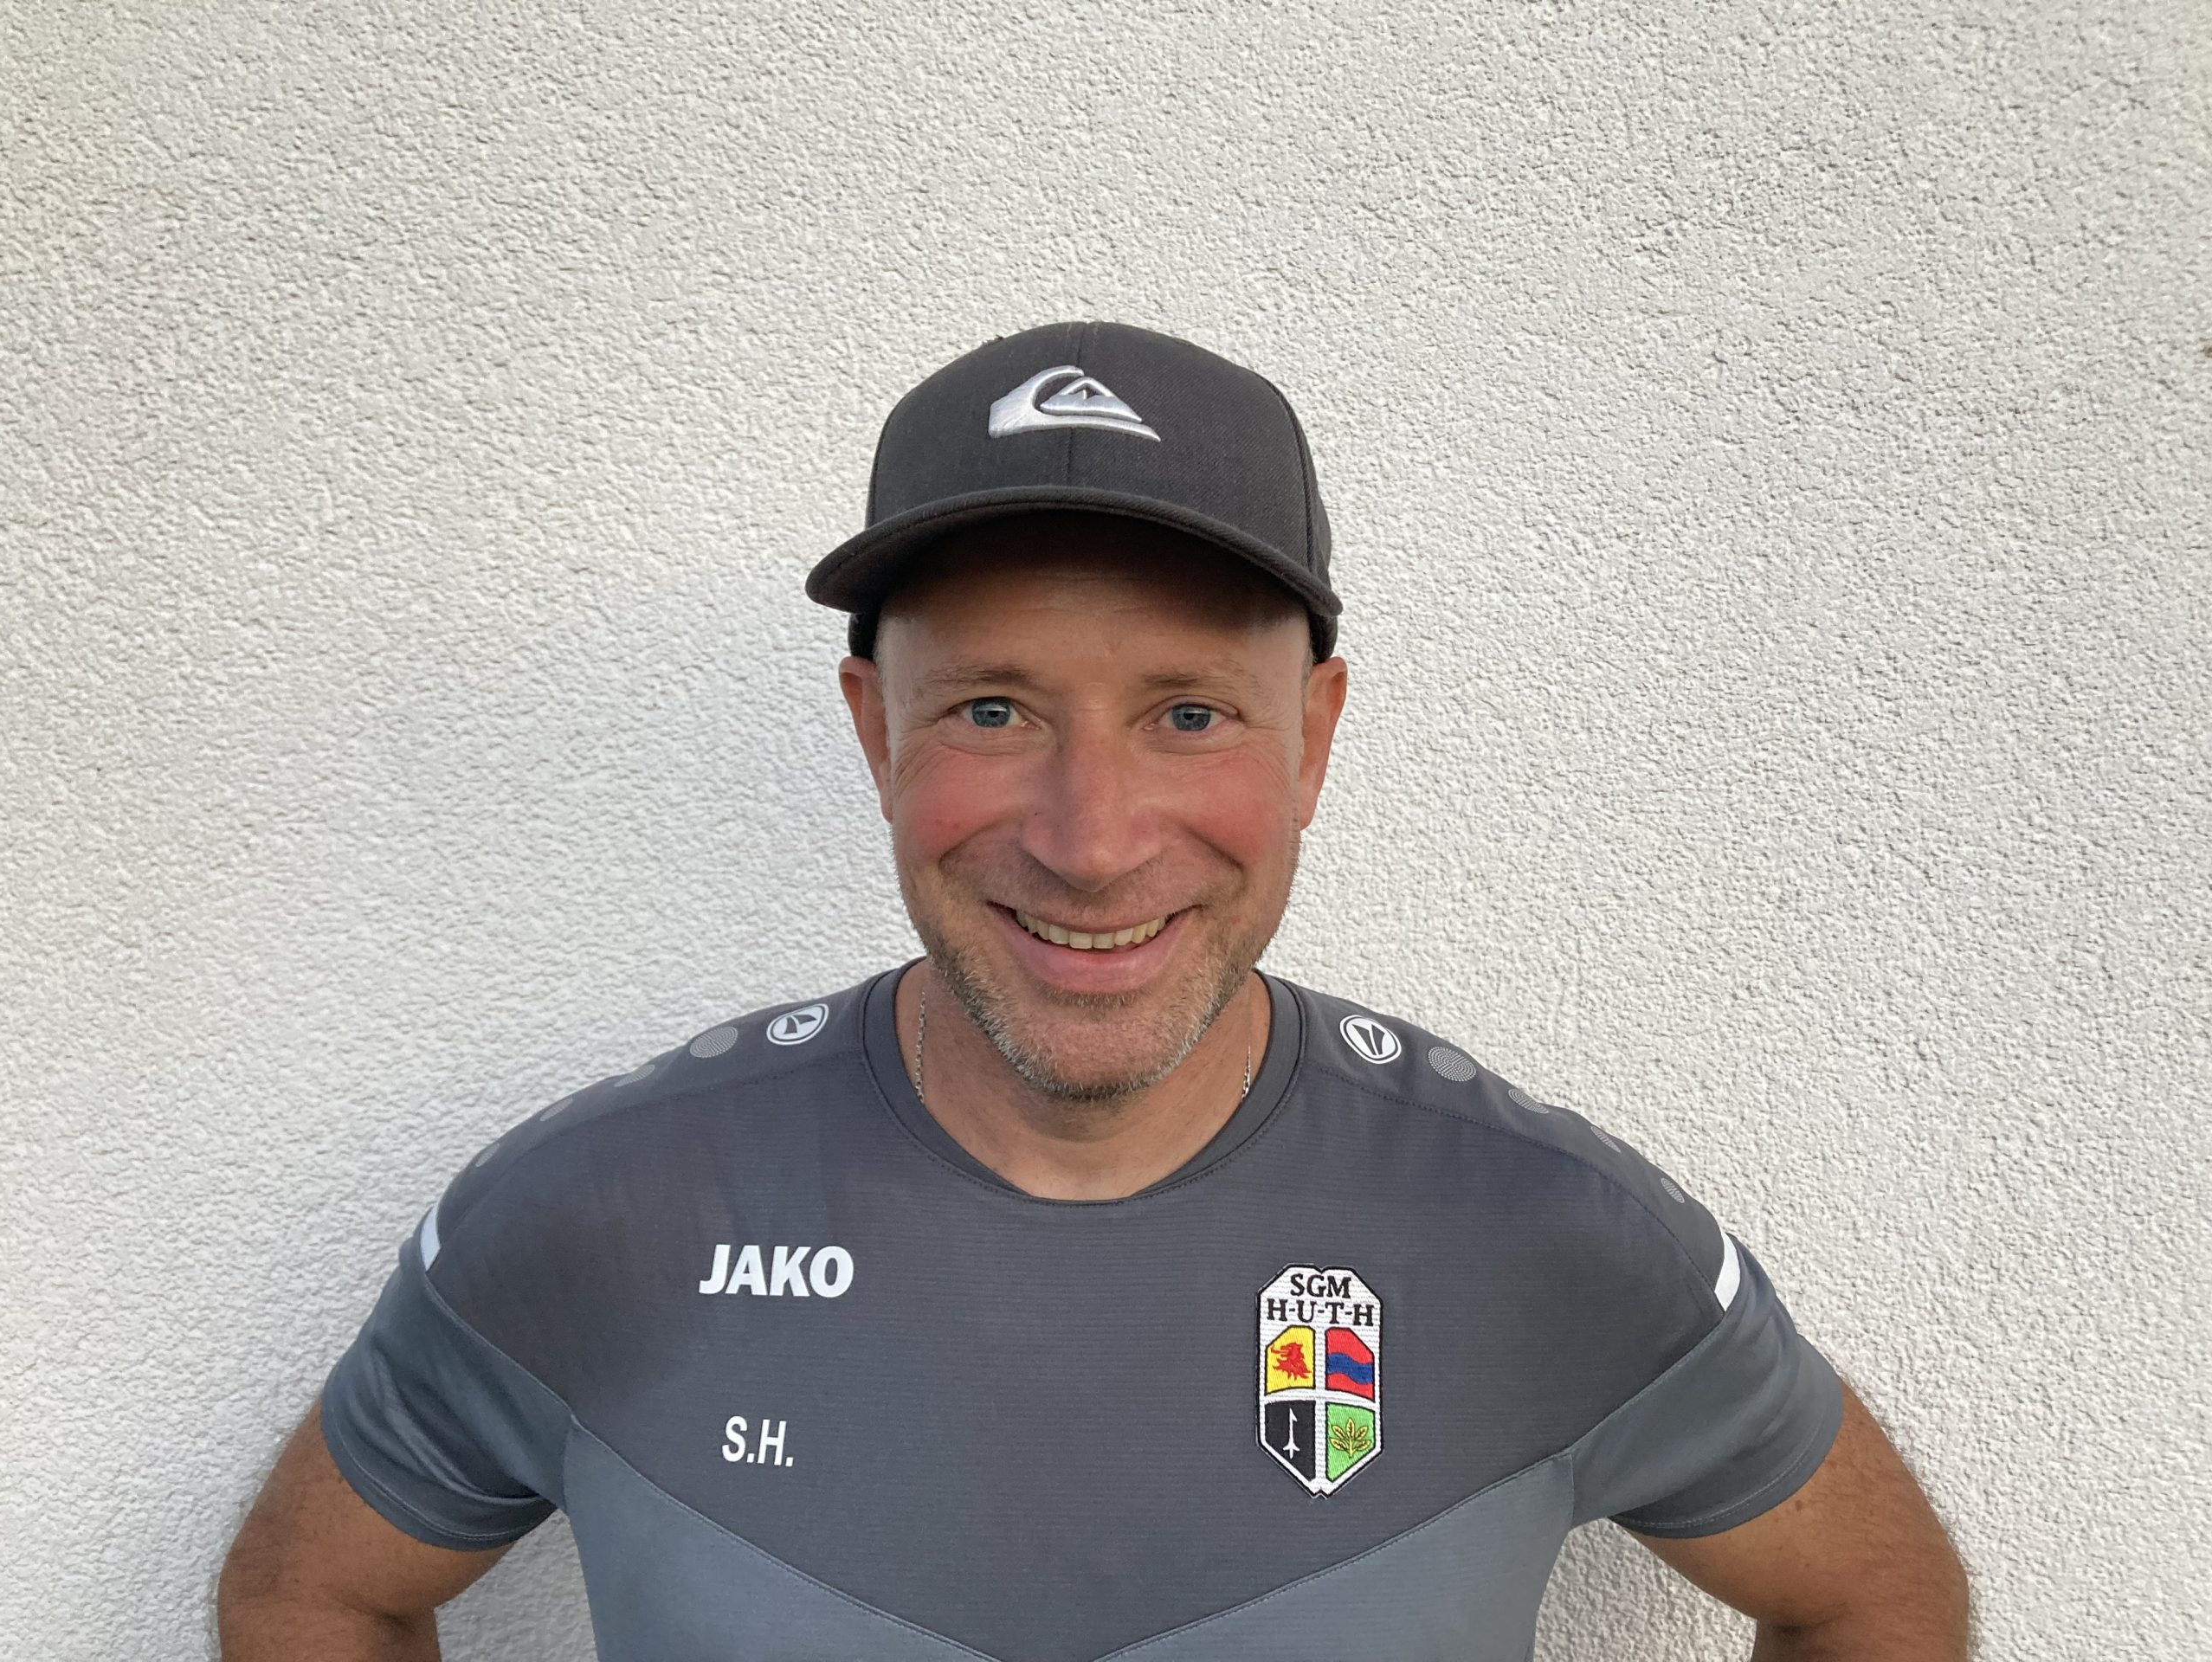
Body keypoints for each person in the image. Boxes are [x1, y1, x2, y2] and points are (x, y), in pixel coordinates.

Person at [218, 321, 1970, 1660]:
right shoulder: (600, 1208)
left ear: (1313, 740)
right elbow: (312, 1595)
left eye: (1188, 713)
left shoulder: (1541, 1232)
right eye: (991, 709)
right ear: (873, 732)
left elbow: (1870, 1597)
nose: (1090, 839)